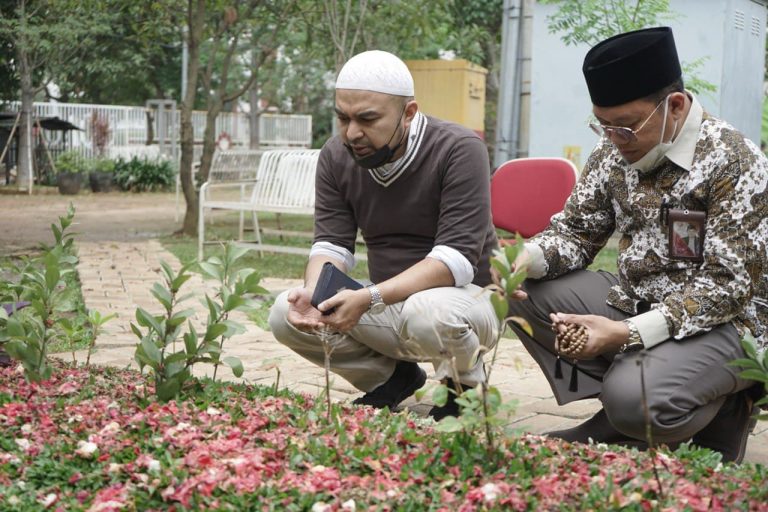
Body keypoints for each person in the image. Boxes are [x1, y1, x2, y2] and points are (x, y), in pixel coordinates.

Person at [506, 27, 767, 463]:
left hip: (730, 323)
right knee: (527, 293)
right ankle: (622, 413)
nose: (613, 138)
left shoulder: (735, 162)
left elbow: (727, 287)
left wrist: (624, 334)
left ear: (676, 106)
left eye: (625, 126)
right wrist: (520, 259)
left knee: (635, 399)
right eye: (603, 125)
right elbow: (575, 233)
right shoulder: (613, 149)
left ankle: (723, 405)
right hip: (638, 300)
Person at [268, 50, 500, 420]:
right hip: (389, 302)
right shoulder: (336, 154)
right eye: (342, 118)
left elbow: (456, 260)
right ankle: (392, 377)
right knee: (285, 312)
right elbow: (331, 244)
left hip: (467, 303)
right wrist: (316, 290)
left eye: (367, 119)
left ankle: (466, 392)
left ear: (409, 113)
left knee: (428, 310)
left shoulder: (459, 149)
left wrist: (370, 296)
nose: (352, 133)